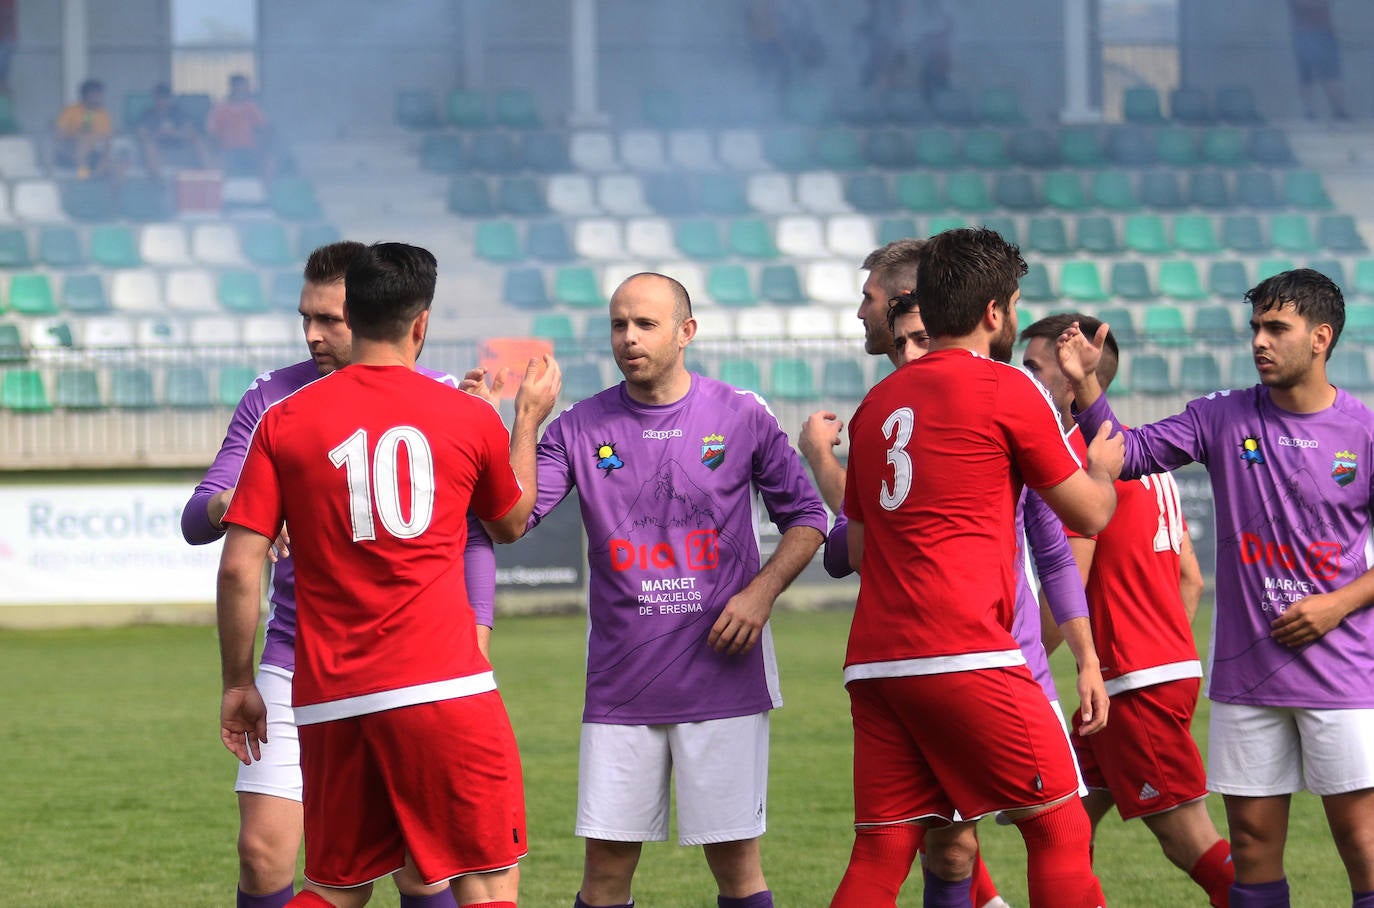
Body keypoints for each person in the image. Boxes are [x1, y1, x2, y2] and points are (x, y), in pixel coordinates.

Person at [218, 242, 560, 908]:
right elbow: (512, 521)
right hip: (441, 684)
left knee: (336, 886)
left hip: (328, 694)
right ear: (421, 324)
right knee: (486, 877)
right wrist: (526, 421)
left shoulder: (283, 421)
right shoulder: (467, 414)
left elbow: (238, 567)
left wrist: (237, 682)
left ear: (351, 311)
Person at [504, 271, 828, 908]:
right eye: (618, 324)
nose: (628, 337)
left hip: (724, 677)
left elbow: (810, 518)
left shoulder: (741, 415)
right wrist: (526, 420)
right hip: (623, 684)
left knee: (737, 868)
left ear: (686, 332)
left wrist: (759, 594)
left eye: (645, 324)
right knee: (604, 874)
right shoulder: (579, 426)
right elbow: (511, 520)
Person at [1058, 268, 1374, 908]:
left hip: (1343, 674)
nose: (1260, 340)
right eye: (1255, 326)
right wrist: (1088, 382)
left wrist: (1339, 604)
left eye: (1276, 328)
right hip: (1247, 675)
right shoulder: (1223, 415)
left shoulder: (1363, 432)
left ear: (1320, 337)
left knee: (1362, 843)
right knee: (1252, 847)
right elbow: (1128, 453)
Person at [836, 227, 1121, 908]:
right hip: (964, 650)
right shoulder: (1008, 389)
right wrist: (1103, 472)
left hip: (876, 662)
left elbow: (856, 549)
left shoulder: (875, 406)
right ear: (997, 311)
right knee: (1059, 827)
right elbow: (1088, 516)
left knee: (882, 851)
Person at [1022, 313, 1234, 907]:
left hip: (1133, 685)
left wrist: (1014, 664)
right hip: (1151, 673)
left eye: (1035, 368)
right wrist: (1159, 649)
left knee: (1186, 839)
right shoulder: (1139, 455)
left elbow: (1071, 580)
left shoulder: (1077, 461)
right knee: (1065, 826)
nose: (1022, 379)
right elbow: (1190, 578)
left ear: (1074, 379)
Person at [1288, 0, 1348, 120]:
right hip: (1304, 35)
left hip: (1323, 34)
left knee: (1331, 75)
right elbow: (1306, 6)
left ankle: (1339, 110)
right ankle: (1308, 111)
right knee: (1306, 76)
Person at [136, 82, 208, 178]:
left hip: (178, 143)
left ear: (170, 99)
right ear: (154, 99)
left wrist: (173, 133)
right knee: (148, 144)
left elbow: (189, 131)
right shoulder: (148, 114)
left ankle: (208, 174)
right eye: (159, 98)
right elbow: (142, 134)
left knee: (198, 140)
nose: (162, 102)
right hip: (157, 144)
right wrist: (158, 134)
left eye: (165, 98)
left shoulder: (178, 113)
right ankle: (158, 178)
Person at [208, 73, 272, 178]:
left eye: (247, 87)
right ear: (234, 87)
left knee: (252, 177)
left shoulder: (252, 108)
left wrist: (261, 150)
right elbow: (212, 132)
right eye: (243, 86)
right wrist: (219, 151)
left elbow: (264, 128)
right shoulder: (220, 109)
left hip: (249, 151)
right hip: (227, 152)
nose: (246, 89)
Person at [54, 78, 113, 178]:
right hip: (69, 153)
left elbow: (108, 141)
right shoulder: (71, 111)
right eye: (96, 94)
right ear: (86, 95)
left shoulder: (103, 114)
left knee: (118, 165)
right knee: (84, 140)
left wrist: (104, 157)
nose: (99, 98)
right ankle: (84, 175)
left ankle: (93, 179)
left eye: (100, 94)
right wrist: (74, 138)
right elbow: (58, 135)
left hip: (92, 154)